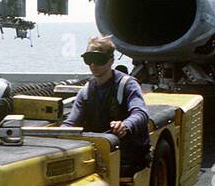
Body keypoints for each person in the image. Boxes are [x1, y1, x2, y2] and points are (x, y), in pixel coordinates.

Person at [61, 35, 150, 175]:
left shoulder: (127, 85)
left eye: (98, 60)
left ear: (111, 61)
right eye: (89, 60)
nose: (93, 65)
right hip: (99, 153)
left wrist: (125, 125)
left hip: (126, 156)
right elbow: (71, 123)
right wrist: (60, 134)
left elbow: (141, 113)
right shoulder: (86, 92)